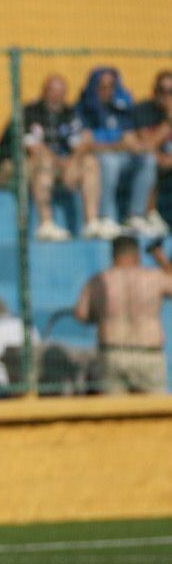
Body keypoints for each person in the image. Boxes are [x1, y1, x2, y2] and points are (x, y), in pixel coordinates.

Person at [0, 74, 101, 241]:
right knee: (44, 163)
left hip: (57, 166)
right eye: (53, 91)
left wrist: (73, 163)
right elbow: (34, 149)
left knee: (90, 162)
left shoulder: (69, 113)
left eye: (61, 92)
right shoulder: (29, 112)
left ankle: (92, 222)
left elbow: (80, 143)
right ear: (44, 92)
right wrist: (63, 165)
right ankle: (46, 224)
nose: (57, 96)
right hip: (11, 168)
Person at [73, 235, 172, 394]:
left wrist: (103, 316)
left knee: (114, 416)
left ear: (113, 255)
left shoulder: (99, 281)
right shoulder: (154, 278)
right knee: (155, 413)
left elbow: (81, 314)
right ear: (137, 255)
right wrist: (161, 258)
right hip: (149, 354)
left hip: (112, 354)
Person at [76, 67, 161, 239]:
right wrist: (118, 145)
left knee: (148, 160)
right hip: (97, 158)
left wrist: (137, 146)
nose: (107, 90)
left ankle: (136, 215)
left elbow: (129, 137)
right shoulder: (84, 109)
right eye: (102, 86)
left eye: (111, 86)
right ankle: (107, 217)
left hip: (120, 155)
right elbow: (87, 144)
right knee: (109, 162)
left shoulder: (121, 108)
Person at [130, 70, 172, 236]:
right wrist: (169, 121)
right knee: (149, 162)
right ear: (155, 91)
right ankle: (143, 215)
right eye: (164, 91)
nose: (167, 96)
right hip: (151, 158)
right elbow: (147, 144)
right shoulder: (144, 110)